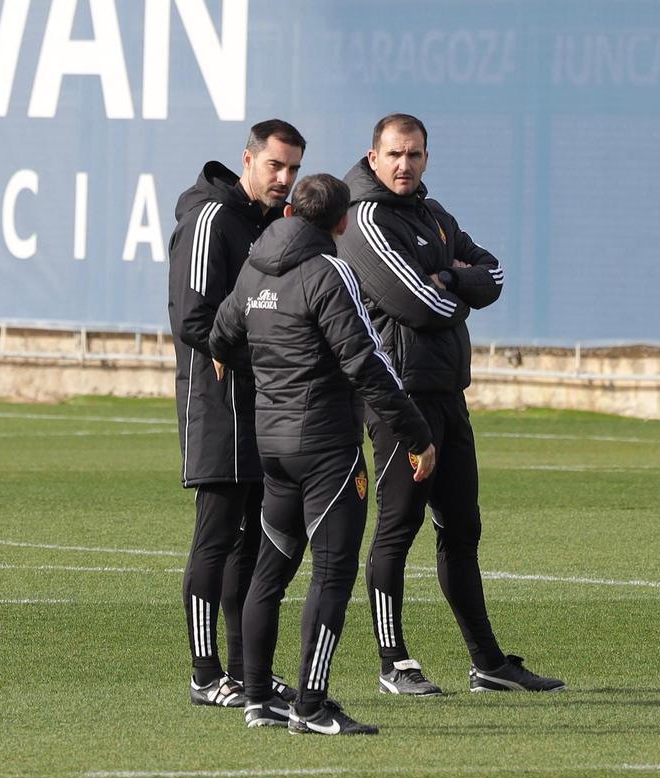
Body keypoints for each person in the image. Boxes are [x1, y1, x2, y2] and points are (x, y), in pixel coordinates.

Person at [337, 113, 565, 695]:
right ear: (372, 157)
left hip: (448, 394)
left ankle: (488, 663)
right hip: (400, 400)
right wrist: (451, 283)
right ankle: (395, 664)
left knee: (463, 528)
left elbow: (495, 275)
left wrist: (447, 278)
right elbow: (419, 306)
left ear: (426, 158)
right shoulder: (365, 219)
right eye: (393, 154)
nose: (403, 165)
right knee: (397, 526)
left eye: (413, 155)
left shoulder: (435, 216)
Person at [208, 174, 436, 735]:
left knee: (270, 571)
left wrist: (250, 369)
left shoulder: (257, 265)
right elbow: (366, 361)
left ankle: (257, 698)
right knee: (331, 574)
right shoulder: (330, 271)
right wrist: (417, 434)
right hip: (326, 451)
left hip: (273, 446)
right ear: (343, 221)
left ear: (289, 209)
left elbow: (221, 332)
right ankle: (311, 705)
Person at [167, 119, 305, 708]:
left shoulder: (278, 224)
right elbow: (194, 321)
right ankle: (204, 675)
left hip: (265, 403)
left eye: (294, 168)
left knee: (255, 540)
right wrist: (255, 350)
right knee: (217, 537)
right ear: (247, 159)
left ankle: (249, 669)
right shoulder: (210, 219)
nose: (284, 178)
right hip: (217, 406)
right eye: (275, 166)